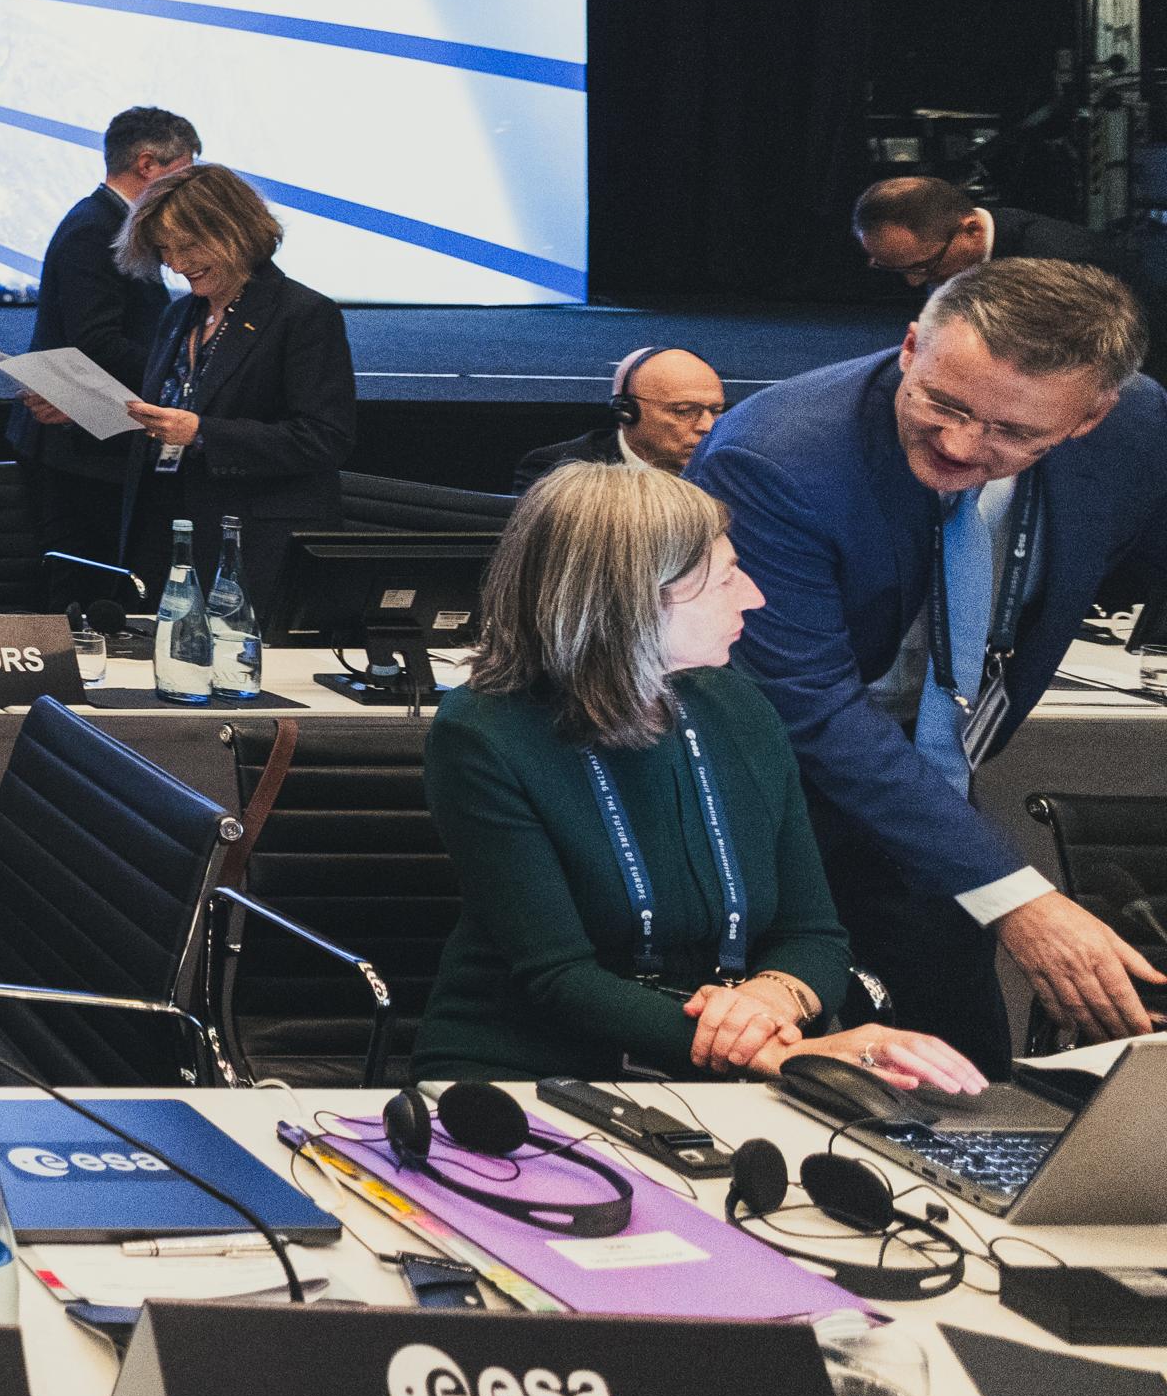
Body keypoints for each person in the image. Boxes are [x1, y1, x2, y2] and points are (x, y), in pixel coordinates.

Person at [689, 257, 1167, 1066]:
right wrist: (1017, 898)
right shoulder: (777, 457)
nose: (959, 443)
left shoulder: (1137, 428)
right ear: (912, 346)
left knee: (963, 1072)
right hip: (773, 808)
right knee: (790, 1075)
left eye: (1013, 433)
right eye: (942, 402)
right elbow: (810, 709)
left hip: (938, 796)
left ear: (1089, 418)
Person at [418, 463, 980, 1091]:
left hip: (723, 1077)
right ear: (635, 599)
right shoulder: (484, 733)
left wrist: (770, 1000)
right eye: (725, 578)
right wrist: (778, 1057)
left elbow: (813, 932)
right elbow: (558, 977)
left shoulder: (738, 707)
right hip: (528, 1075)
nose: (753, 597)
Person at [111, 165, 356, 578]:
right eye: (165, 249)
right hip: (166, 532)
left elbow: (324, 439)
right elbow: (166, 413)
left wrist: (202, 432)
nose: (176, 263)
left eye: (188, 246)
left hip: (253, 546)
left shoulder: (304, 314)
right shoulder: (178, 315)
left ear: (235, 231)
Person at [13, 107, 198, 573]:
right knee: (86, 586)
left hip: (90, 444)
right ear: (147, 164)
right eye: (184, 171)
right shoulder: (98, 228)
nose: (189, 186)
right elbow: (96, 342)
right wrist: (182, 376)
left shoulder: (107, 220)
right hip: (79, 451)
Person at [856, 174, 1162, 370]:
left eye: (923, 266)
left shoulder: (1061, 264)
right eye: (894, 267)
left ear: (971, 230)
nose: (914, 281)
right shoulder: (943, 248)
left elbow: (1088, 365)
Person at [513, 346, 729, 490]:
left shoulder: (729, 472)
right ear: (626, 412)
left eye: (715, 410)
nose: (708, 426)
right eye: (684, 411)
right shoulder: (559, 472)